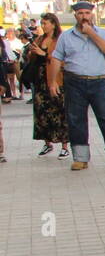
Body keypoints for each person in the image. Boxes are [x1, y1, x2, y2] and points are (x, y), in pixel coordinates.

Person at [48, 1, 105, 171]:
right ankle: (80, 158)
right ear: (75, 15)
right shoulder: (66, 36)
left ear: (92, 14)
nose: (84, 16)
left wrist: (91, 33)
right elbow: (56, 58)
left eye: (87, 13)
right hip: (74, 82)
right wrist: (53, 81)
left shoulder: (102, 33)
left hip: (99, 81)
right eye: (80, 13)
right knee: (76, 119)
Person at [28, 14, 69, 158]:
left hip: (55, 79)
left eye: (45, 23)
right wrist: (32, 52)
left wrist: (44, 54)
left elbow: (63, 60)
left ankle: (64, 145)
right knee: (41, 112)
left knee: (60, 111)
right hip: (40, 80)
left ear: (53, 24)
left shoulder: (60, 39)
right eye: (42, 23)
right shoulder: (40, 39)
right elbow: (33, 59)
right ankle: (47, 143)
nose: (43, 26)